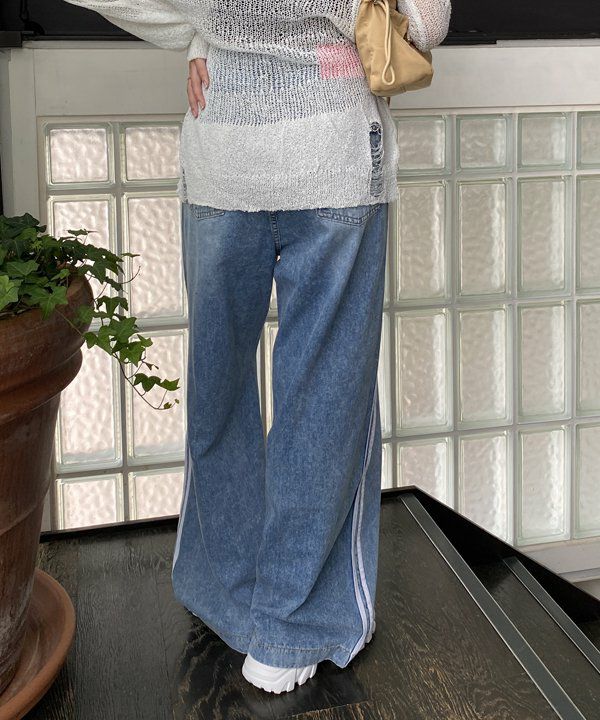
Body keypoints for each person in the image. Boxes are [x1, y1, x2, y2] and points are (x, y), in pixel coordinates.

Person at [64, 0, 452, 694]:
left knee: (219, 393)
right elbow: (427, 19)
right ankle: (292, 625)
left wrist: (204, 32)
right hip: (332, 154)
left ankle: (229, 594)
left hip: (225, 152)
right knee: (323, 400)